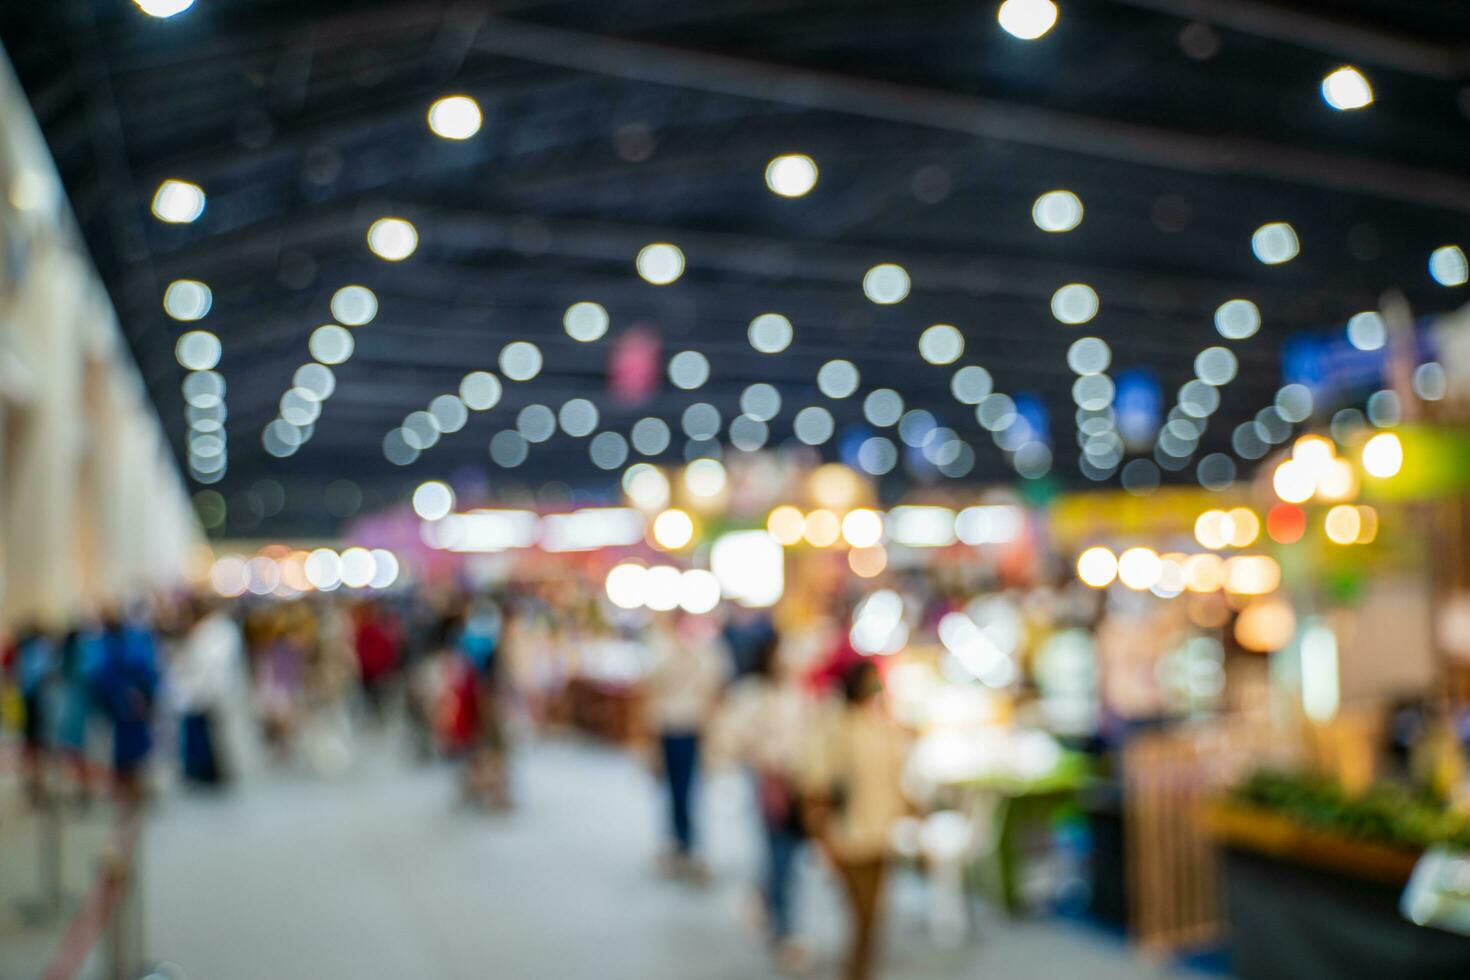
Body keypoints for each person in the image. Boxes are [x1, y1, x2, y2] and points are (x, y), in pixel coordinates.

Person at [803, 661, 910, 980]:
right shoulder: (839, 729)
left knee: (874, 915)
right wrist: (822, 836)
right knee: (861, 914)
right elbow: (819, 786)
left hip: (881, 831)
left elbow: (896, 776)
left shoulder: (882, 727)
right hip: (849, 834)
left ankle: (862, 970)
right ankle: (855, 972)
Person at [722, 629, 813, 972]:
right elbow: (733, 737)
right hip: (768, 781)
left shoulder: (795, 692)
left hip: (797, 780)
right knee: (779, 854)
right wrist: (762, 761)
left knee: (789, 853)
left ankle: (766, 900)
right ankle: (784, 928)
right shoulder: (751, 695)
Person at [642, 611, 730, 879]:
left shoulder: (702, 650)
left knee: (685, 787)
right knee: (676, 786)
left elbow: (714, 686)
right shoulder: (667, 649)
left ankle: (684, 840)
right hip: (672, 725)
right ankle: (681, 840)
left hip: (689, 725)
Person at [172, 597, 243, 786]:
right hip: (211, 690)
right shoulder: (220, 629)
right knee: (212, 734)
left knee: (212, 734)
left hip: (209, 690)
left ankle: (210, 771)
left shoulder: (210, 632)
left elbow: (208, 665)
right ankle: (209, 770)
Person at [95, 609, 161, 806]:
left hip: (126, 706)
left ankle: (132, 790)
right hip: (125, 706)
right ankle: (132, 789)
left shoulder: (115, 648)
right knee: (130, 751)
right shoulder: (126, 646)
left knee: (130, 751)